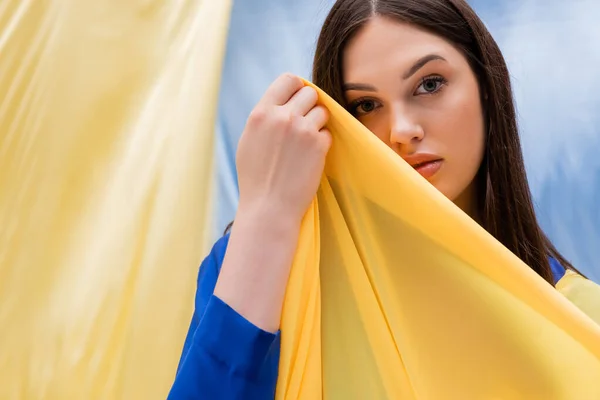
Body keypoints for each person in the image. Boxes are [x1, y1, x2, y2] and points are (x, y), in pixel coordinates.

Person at [167, 0, 584, 398]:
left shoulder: (578, 318)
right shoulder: (268, 261)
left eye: (430, 84)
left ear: (486, 88)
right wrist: (264, 216)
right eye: (366, 105)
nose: (401, 130)